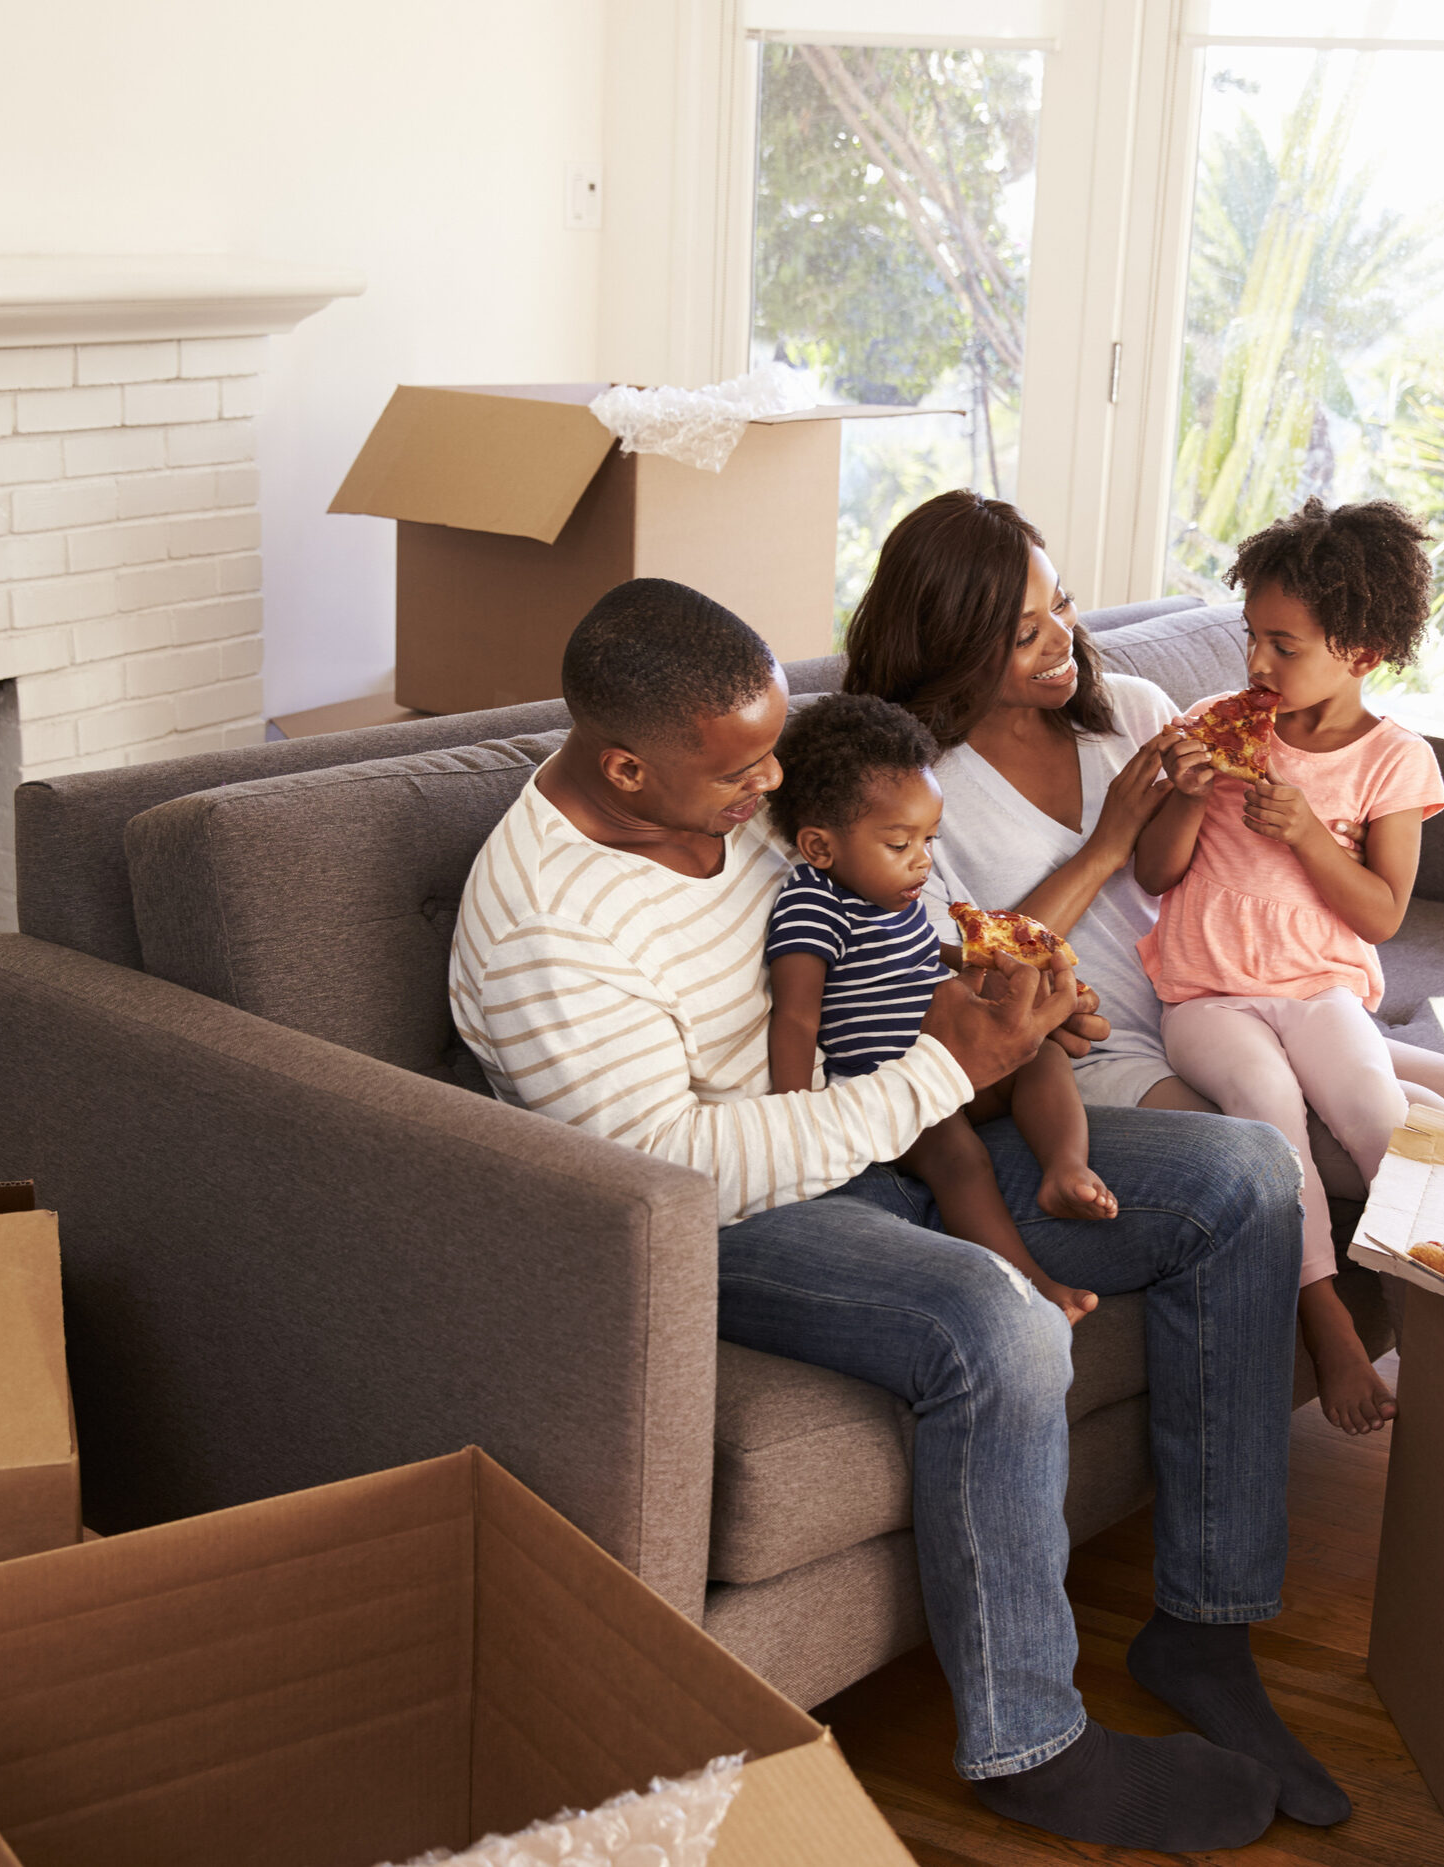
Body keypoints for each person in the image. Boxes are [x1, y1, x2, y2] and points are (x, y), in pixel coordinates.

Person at [451, 578, 1348, 1848]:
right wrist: (946, 1071)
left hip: (889, 1121)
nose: (770, 792)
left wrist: (1008, 1004)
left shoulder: (750, 795)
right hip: (721, 1215)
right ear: (624, 770)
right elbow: (670, 1167)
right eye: (738, 774)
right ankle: (1031, 1745)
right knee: (993, 1321)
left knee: (1241, 1176)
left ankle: (1203, 1634)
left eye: (774, 756)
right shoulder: (544, 928)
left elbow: (885, 922)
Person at [843, 492, 1444, 1429]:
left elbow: (1268, 864)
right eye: (1022, 631)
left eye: (1064, 605)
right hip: (1102, 1051)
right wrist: (1107, 840)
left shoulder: (1130, 709)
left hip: (1241, 993)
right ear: (954, 642)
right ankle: (1341, 1324)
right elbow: (969, 966)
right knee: (1333, 1137)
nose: (1062, 640)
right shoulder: (914, 789)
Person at [1134, 497, 1444, 1438]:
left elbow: (1382, 912)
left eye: (1283, 645)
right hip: (1204, 995)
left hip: (1320, 990)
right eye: (1250, 639)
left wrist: (1312, 836)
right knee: (1269, 1110)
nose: (1255, 666)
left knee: (1377, 1114)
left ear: (1360, 650)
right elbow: (1154, 873)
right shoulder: (1212, 724)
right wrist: (1189, 798)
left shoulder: (1394, 760)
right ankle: (1325, 1317)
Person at [764, 691, 1107, 1324]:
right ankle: (1032, 1283)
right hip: (895, 1090)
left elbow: (922, 955)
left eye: (930, 838)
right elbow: (795, 1016)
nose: (923, 859)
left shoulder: (896, 898)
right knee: (960, 1159)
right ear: (819, 847)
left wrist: (972, 961)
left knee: (1042, 1053)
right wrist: (797, 1119)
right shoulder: (813, 906)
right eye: (900, 844)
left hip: (954, 1067)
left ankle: (1065, 1167)